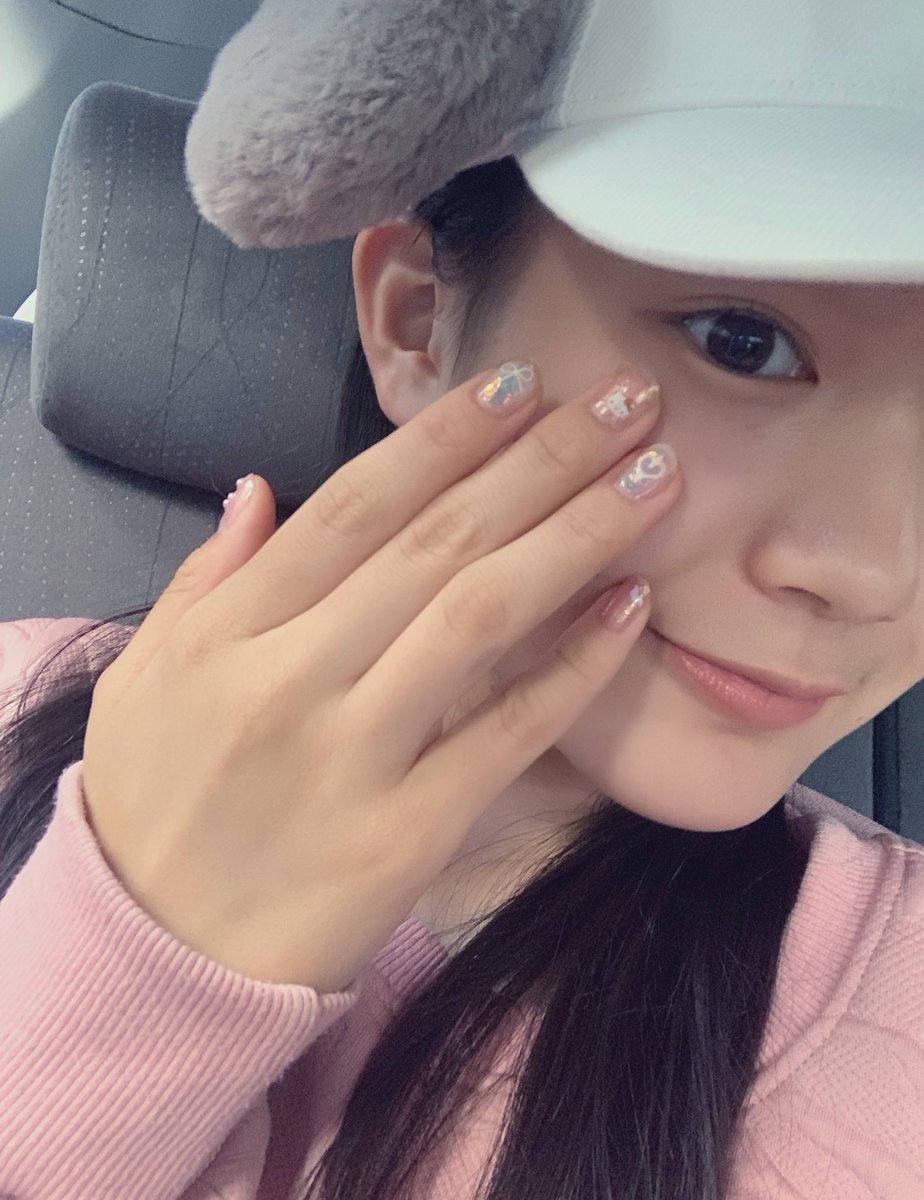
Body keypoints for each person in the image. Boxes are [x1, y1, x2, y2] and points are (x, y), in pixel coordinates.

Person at [1, 1, 923, 1198]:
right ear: (418, 319)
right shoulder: (19, 695)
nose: (873, 572)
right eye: (741, 342)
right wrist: (134, 963)